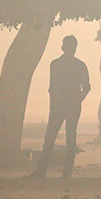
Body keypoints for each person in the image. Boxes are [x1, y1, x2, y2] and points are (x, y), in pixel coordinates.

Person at [30, 35, 90, 178]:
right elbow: (52, 87)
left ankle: (63, 172)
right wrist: (57, 103)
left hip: (67, 105)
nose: (71, 50)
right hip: (60, 105)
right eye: (69, 47)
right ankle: (43, 171)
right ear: (63, 47)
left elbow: (86, 87)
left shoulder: (74, 65)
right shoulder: (58, 64)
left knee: (67, 139)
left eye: (73, 47)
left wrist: (76, 101)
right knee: (52, 138)